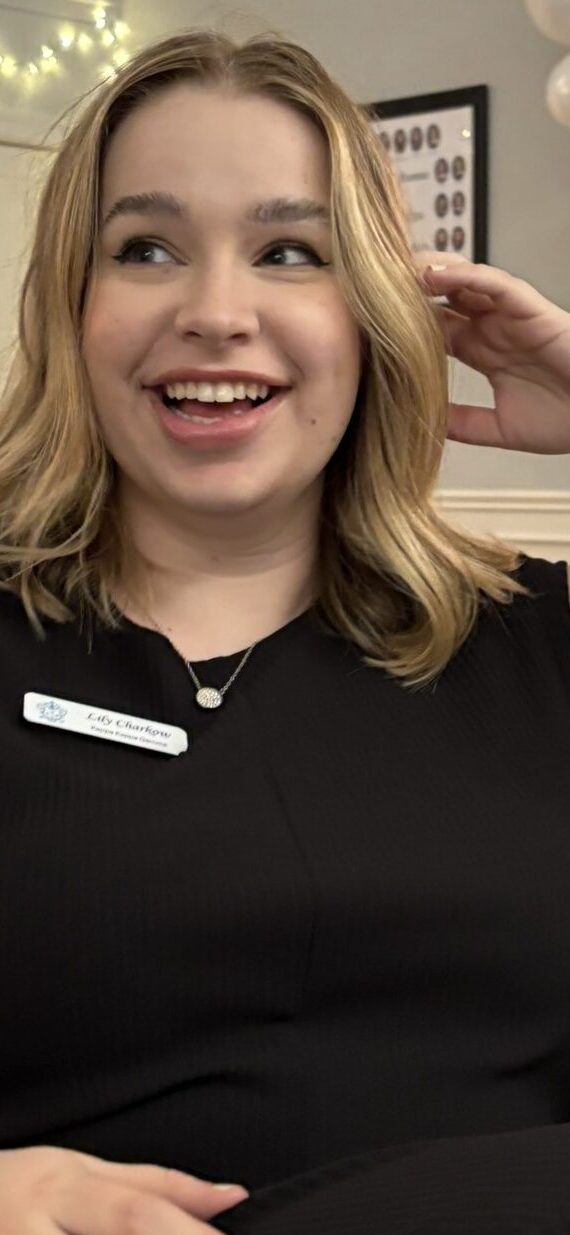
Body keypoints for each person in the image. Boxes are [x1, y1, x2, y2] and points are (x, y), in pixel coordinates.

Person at [0, 25, 569, 1235]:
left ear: (374, 314)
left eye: (290, 252)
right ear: (72, 307)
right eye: (146, 248)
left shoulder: (540, 642)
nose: (217, 312)